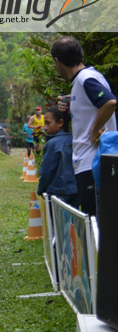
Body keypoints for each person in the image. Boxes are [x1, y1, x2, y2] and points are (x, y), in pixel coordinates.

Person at [52, 35, 117, 215]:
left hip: (93, 162)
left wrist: (94, 130)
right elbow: (91, 107)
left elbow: (109, 102)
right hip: (92, 161)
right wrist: (70, 103)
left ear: (58, 62)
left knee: (95, 221)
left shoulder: (84, 79)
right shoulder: (86, 78)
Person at [38, 106, 79, 208]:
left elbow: (46, 171)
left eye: (48, 123)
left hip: (57, 192)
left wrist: (41, 190)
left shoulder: (52, 144)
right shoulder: (75, 140)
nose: (44, 127)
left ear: (60, 123)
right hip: (75, 190)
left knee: (57, 222)